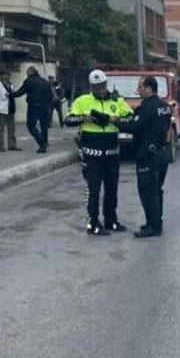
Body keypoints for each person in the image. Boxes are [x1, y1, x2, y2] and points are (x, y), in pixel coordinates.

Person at [64, 70, 133, 236]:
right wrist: (84, 118)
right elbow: (67, 120)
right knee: (93, 190)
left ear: (106, 84)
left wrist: (116, 119)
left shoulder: (118, 100)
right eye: (96, 87)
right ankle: (92, 224)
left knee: (112, 189)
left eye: (102, 86)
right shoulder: (82, 101)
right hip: (91, 155)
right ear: (91, 87)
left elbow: (131, 117)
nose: (100, 90)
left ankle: (111, 221)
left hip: (112, 153)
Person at [114, 76, 171, 238]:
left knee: (147, 191)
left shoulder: (147, 108)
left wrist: (115, 123)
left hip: (148, 155)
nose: (137, 90)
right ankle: (156, 222)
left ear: (149, 88)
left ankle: (153, 227)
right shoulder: (164, 106)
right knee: (156, 190)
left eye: (140, 87)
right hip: (161, 152)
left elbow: (135, 127)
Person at [11, 66, 52, 153]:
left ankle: (42, 143)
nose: (26, 74)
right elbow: (51, 95)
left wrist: (11, 94)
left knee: (31, 125)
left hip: (33, 106)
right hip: (45, 107)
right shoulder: (45, 81)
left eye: (27, 73)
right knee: (44, 126)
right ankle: (44, 143)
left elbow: (21, 92)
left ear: (30, 73)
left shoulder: (29, 81)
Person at [0, 71, 21, 152]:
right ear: (1, 77)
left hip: (10, 110)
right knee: (1, 129)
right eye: (5, 75)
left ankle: (12, 145)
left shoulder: (11, 85)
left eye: (8, 75)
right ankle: (1, 146)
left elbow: (13, 95)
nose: (7, 77)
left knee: (12, 128)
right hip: (1, 110)